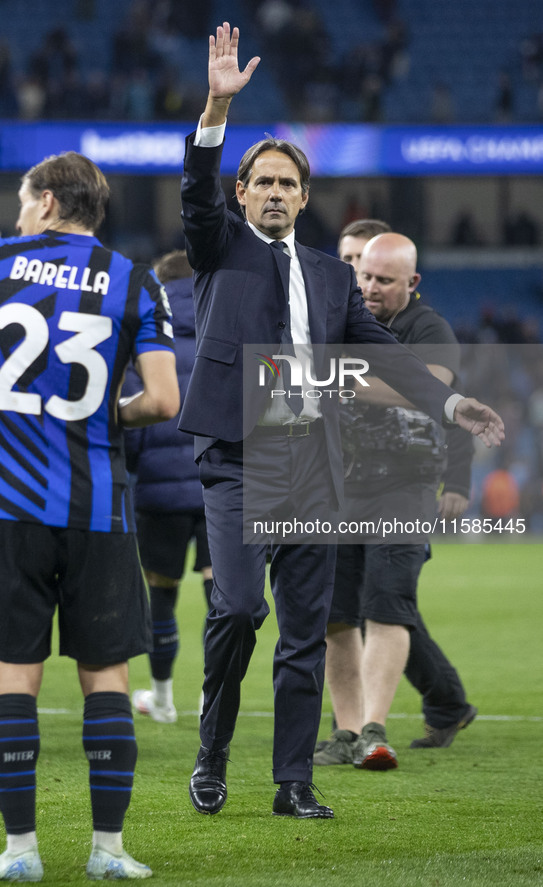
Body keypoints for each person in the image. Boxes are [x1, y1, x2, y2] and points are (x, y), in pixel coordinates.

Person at [179, 22, 503, 820]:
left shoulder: (331, 279)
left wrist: (453, 402)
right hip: (236, 457)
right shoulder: (218, 244)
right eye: (264, 183)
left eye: (290, 184)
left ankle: (294, 781)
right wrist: (218, 104)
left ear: (306, 197)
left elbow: (383, 357)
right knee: (239, 610)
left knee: (303, 632)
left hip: (314, 469)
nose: (277, 193)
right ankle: (211, 750)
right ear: (243, 193)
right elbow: (194, 187)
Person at [0, 151, 179, 881]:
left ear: (49, 202)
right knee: (106, 675)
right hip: (99, 507)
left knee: (13, 675)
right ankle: (109, 850)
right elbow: (162, 402)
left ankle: (19, 852)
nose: (21, 213)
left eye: (26, 200)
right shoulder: (135, 279)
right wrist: (98, 413)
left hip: (8, 502)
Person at [314, 220, 477, 766]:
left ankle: (374, 731)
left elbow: (431, 389)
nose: (372, 287)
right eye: (364, 275)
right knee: (338, 615)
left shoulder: (430, 328)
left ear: (413, 282)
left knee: (387, 605)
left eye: (385, 278)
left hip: (404, 486)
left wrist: (456, 482)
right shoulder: (332, 319)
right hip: (338, 486)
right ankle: (347, 731)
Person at [125, 249, 212, 724]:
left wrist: (139, 467)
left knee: (162, 595)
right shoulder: (227, 331)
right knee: (221, 597)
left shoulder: (147, 336)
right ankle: (211, 700)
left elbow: (133, 417)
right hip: (222, 488)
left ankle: (161, 699)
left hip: (159, 492)